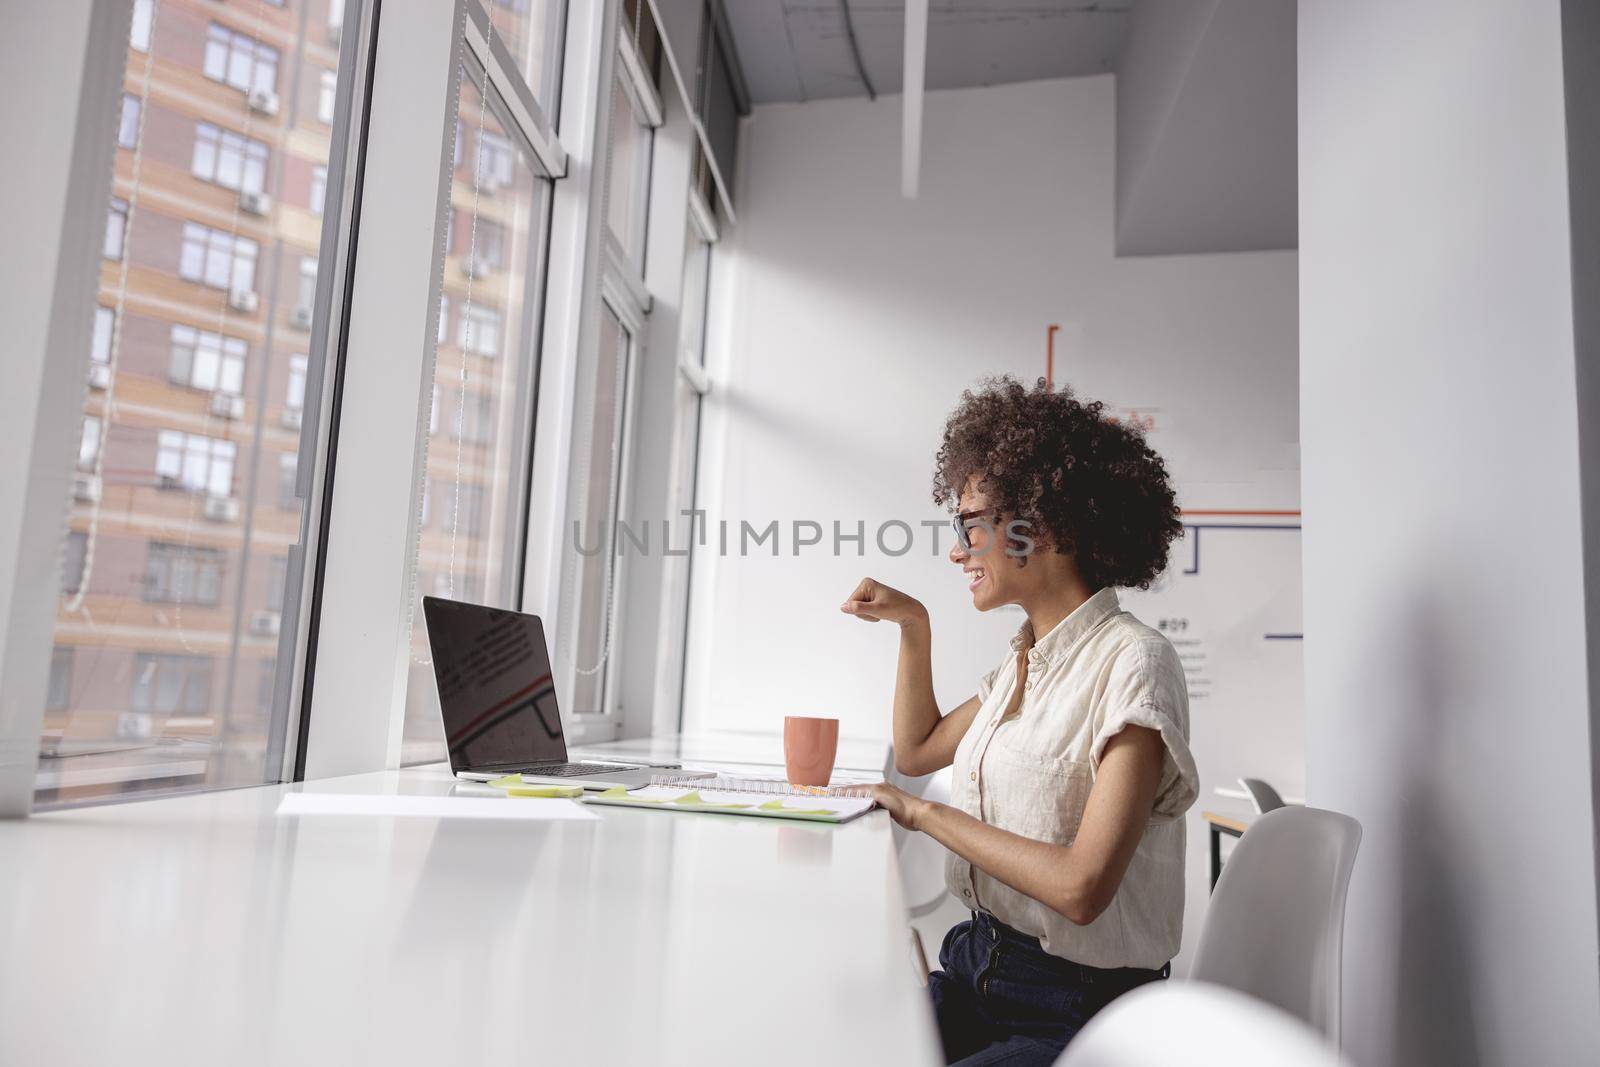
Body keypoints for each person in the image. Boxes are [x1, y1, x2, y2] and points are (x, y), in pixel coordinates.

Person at [843, 376, 1198, 1065]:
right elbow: (917, 750)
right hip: (976, 970)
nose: (958, 546)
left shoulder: (1135, 664)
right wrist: (914, 624)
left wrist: (923, 817)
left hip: (1079, 1014)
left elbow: (1081, 887)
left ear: (1048, 523)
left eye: (972, 521)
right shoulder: (1025, 663)